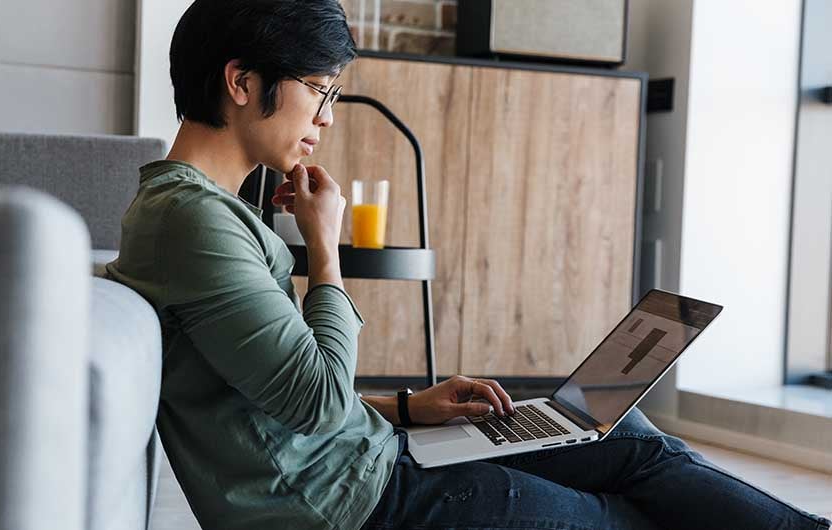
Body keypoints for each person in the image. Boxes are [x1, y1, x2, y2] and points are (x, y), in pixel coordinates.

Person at [104, 1, 832, 529]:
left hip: (375, 459)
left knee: (628, 437)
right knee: (620, 515)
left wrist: (414, 409)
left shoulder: (203, 214)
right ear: (240, 82)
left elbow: (267, 400)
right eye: (320, 91)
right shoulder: (190, 220)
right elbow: (317, 402)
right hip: (350, 504)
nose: (326, 116)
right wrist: (323, 249)